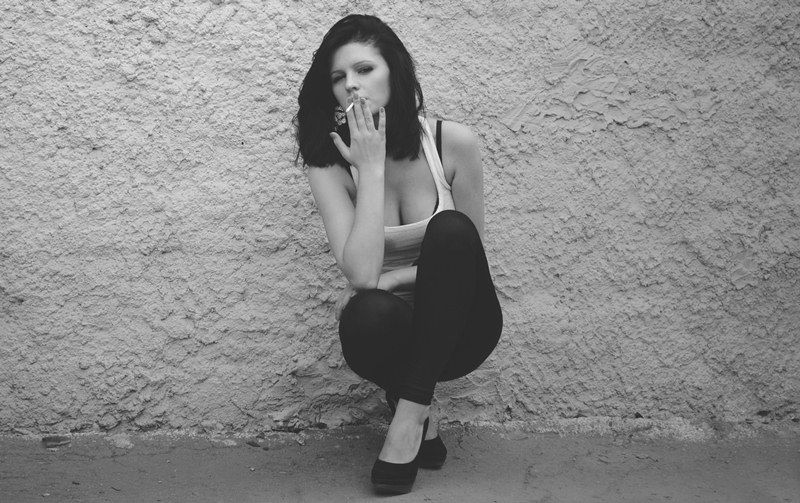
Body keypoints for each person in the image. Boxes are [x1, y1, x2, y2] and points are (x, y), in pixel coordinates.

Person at [294, 14, 503, 495]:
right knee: (364, 314)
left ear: (395, 74)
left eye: (365, 69)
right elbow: (362, 274)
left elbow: (467, 258)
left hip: (463, 328)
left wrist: (392, 280)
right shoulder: (329, 165)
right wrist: (370, 169)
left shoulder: (453, 143)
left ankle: (405, 421)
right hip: (389, 335)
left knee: (451, 230)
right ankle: (420, 413)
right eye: (339, 77)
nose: (352, 85)